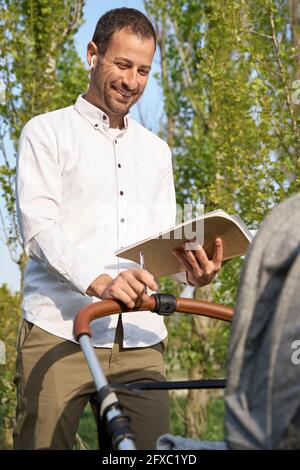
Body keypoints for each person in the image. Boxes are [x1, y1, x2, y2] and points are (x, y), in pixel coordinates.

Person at [14, 8, 223, 450]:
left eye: (143, 70)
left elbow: (167, 242)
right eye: (123, 65)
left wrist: (193, 273)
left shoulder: (157, 151)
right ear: (93, 54)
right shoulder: (45, 133)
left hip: (142, 338)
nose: (132, 81)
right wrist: (102, 281)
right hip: (61, 329)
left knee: (151, 455)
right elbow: (39, 228)